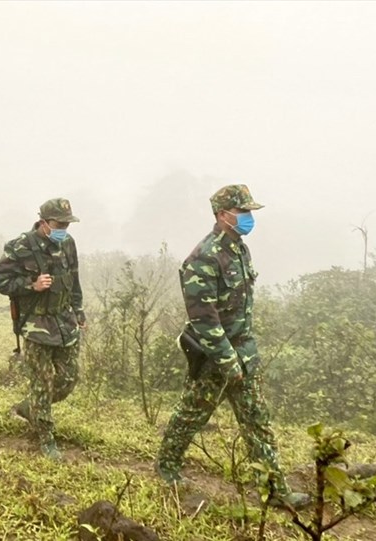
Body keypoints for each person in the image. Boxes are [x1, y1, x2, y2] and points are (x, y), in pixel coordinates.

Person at [155, 184, 310, 510]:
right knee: (191, 415)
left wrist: (243, 355)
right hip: (215, 357)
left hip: (244, 351)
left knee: (257, 421)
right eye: (244, 213)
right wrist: (227, 360)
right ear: (224, 215)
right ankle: (167, 466)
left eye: (250, 212)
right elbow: (204, 319)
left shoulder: (239, 250)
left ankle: (276, 491)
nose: (249, 218)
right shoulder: (203, 258)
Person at [0, 198, 85, 461]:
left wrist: (79, 311)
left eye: (67, 224)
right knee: (42, 383)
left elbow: (74, 280)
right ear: (44, 223)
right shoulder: (21, 246)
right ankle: (46, 438)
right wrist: (32, 284)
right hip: (36, 325)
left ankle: (28, 408)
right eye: (58, 224)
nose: (63, 229)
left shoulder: (68, 243)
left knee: (67, 379)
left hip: (65, 322)